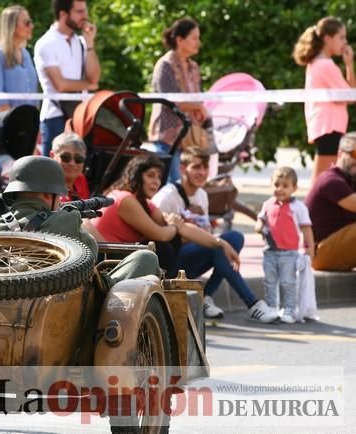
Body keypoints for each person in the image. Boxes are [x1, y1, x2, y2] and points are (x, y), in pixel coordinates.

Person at [0, 156, 161, 285]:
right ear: (49, 194)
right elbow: (92, 251)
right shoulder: (66, 220)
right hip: (69, 306)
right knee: (145, 257)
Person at [151, 147, 280, 323]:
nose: (202, 172)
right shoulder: (166, 197)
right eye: (196, 167)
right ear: (182, 168)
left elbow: (206, 233)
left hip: (195, 257)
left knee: (235, 238)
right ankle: (253, 304)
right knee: (218, 247)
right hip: (171, 263)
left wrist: (208, 238)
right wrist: (195, 235)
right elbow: (156, 238)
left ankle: (206, 296)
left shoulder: (202, 195)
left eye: (205, 167)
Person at [293, 16, 356, 184]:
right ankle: (308, 210)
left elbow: (350, 93)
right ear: (327, 39)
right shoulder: (325, 65)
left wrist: (349, 64)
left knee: (328, 179)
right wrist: (349, 65)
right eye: (341, 37)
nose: (345, 42)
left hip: (328, 127)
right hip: (329, 127)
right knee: (322, 181)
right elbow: (351, 96)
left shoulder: (319, 63)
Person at [147, 17, 209, 182]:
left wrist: (199, 110)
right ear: (180, 40)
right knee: (171, 188)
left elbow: (198, 97)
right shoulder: (165, 65)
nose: (199, 42)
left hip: (189, 139)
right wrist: (199, 108)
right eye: (194, 38)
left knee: (187, 189)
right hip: (168, 139)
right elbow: (172, 101)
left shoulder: (194, 67)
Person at [34, 0, 100, 156]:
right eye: (79, 12)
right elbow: (61, 85)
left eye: (85, 11)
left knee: (79, 169)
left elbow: (95, 78)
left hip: (79, 116)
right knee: (51, 171)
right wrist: (88, 85)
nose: (85, 16)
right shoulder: (46, 43)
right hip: (54, 117)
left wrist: (90, 43)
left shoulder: (82, 42)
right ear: (63, 14)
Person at [255, 167, 314, 324]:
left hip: (289, 253)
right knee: (269, 281)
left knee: (288, 282)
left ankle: (289, 309)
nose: (280, 189)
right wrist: (259, 225)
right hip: (269, 251)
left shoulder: (298, 207)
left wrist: (310, 249)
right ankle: (271, 307)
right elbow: (261, 218)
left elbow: (306, 229)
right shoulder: (268, 204)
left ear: (294, 188)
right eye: (276, 184)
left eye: (285, 185)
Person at [305, 132, 356, 271]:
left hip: (337, 246)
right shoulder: (330, 180)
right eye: (354, 154)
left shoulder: (351, 179)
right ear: (340, 154)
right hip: (320, 252)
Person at [0, 5, 39, 115]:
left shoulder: (26, 54)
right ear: (12, 26)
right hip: (6, 124)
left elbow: (33, 94)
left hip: (29, 123)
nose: (31, 26)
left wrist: (35, 124)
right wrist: (16, 123)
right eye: (26, 22)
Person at [50, 132, 89, 202]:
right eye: (65, 157)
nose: (72, 163)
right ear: (52, 156)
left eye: (78, 159)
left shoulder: (80, 179)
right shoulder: (45, 185)